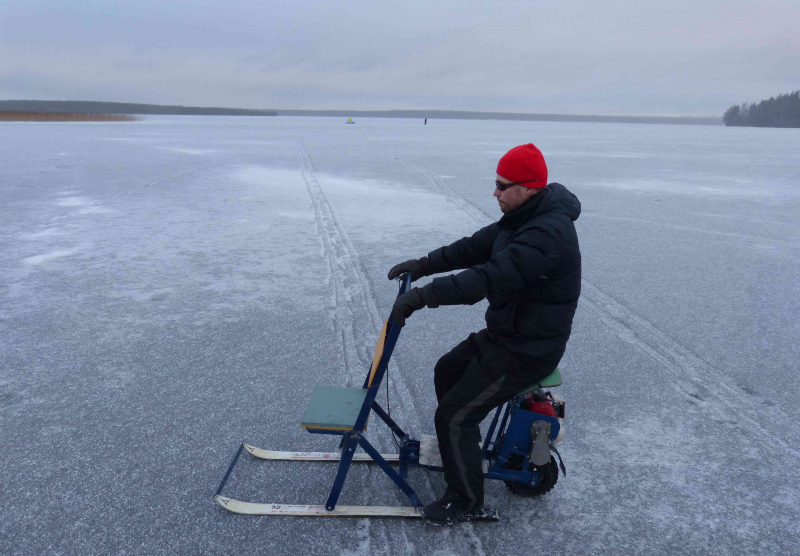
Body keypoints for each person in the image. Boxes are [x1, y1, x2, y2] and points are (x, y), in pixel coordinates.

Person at [387, 143, 581, 525]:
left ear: (527, 188)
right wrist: (423, 265)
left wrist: (422, 297)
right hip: (507, 335)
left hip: (528, 350)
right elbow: (474, 248)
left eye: (501, 185)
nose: (494, 192)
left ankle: (465, 499)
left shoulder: (546, 234)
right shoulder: (523, 218)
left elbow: (488, 278)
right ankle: (463, 450)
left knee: (454, 415)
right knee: (447, 369)